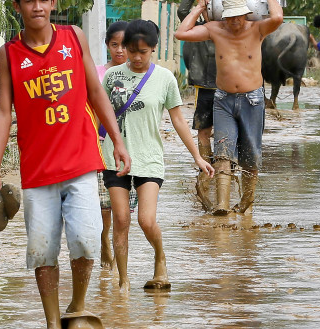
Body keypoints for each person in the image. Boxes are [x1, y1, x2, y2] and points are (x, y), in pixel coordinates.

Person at [0, 0, 131, 328]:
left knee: (86, 240)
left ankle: (77, 307)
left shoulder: (73, 36)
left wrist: (118, 141)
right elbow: (2, 112)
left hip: (81, 162)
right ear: (17, 5)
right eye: (29, 0)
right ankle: (53, 323)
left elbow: (95, 91)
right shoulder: (7, 55)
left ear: (52, 3)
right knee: (42, 251)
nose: (37, 6)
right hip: (37, 170)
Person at [101, 19, 215, 291]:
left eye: (143, 51)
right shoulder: (110, 77)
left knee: (145, 219)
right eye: (131, 50)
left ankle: (159, 257)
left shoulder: (164, 78)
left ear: (153, 48)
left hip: (149, 158)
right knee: (120, 219)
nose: (137, 57)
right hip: (113, 158)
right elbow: (98, 116)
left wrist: (198, 157)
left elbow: (178, 120)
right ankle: (124, 282)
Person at [174, 0, 283, 215]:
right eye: (230, 16)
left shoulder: (257, 29)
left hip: (252, 100)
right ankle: (222, 206)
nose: (234, 20)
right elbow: (181, 33)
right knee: (223, 152)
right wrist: (199, 8)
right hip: (223, 99)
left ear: (247, 14)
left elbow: (278, 18)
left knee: (251, 154)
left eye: (239, 16)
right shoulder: (216, 30)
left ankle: (246, 203)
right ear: (223, 16)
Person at [177, 0, 218, 211]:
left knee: (225, 133)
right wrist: (199, 5)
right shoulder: (197, 27)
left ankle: (222, 170)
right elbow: (183, 11)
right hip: (205, 87)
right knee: (203, 132)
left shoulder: (229, 27)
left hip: (229, 87)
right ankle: (206, 169)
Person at [96, 20, 129, 270]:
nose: (120, 50)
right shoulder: (97, 73)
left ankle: (119, 250)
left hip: (130, 148)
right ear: (107, 46)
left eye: (124, 45)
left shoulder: (139, 75)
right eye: (114, 45)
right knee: (103, 204)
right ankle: (104, 239)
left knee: (123, 210)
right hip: (99, 146)